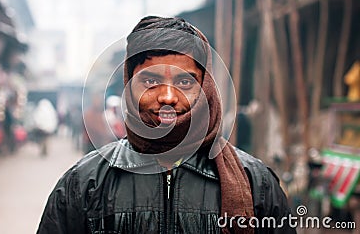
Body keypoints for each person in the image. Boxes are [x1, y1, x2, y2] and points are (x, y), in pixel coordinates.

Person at [37, 16, 296, 233]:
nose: (168, 97)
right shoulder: (84, 184)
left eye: (185, 83)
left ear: (205, 88)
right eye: (150, 82)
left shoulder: (255, 184)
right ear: (129, 87)